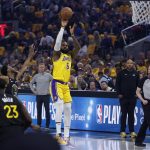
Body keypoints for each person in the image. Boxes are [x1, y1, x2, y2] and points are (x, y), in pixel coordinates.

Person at [0, 77, 60, 150]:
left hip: (4, 133)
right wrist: (30, 124)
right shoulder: (14, 98)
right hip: (19, 131)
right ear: (5, 87)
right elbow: (27, 116)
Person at [49, 20, 80, 145]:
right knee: (60, 106)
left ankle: (67, 136)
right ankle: (58, 134)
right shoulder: (57, 54)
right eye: (63, 45)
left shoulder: (70, 55)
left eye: (67, 44)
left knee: (68, 109)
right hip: (56, 83)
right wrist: (62, 28)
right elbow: (57, 42)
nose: (65, 45)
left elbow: (77, 47)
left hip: (65, 85)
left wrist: (72, 35)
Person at [115, 59, 139, 138]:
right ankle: (122, 131)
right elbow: (117, 84)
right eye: (128, 63)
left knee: (131, 115)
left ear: (133, 64)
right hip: (123, 98)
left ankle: (132, 131)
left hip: (132, 98)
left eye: (131, 63)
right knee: (124, 114)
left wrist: (137, 94)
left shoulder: (136, 73)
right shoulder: (121, 73)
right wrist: (118, 93)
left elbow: (138, 85)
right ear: (125, 64)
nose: (129, 64)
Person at [30, 62, 53, 129]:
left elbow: (54, 82)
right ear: (38, 68)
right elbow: (30, 83)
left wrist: (51, 90)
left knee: (47, 111)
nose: (42, 68)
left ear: (45, 68)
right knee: (39, 111)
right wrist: (34, 91)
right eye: (40, 67)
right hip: (39, 95)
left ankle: (47, 126)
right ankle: (39, 125)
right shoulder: (36, 76)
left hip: (46, 95)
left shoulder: (48, 75)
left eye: (43, 67)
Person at [135, 65, 150, 147]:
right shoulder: (143, 79)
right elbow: (137, 92)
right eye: (149, 68)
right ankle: (138, 141)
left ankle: (138, 141)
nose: (149, 70)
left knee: (145, 123)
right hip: (146, 102)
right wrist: (143, 100)